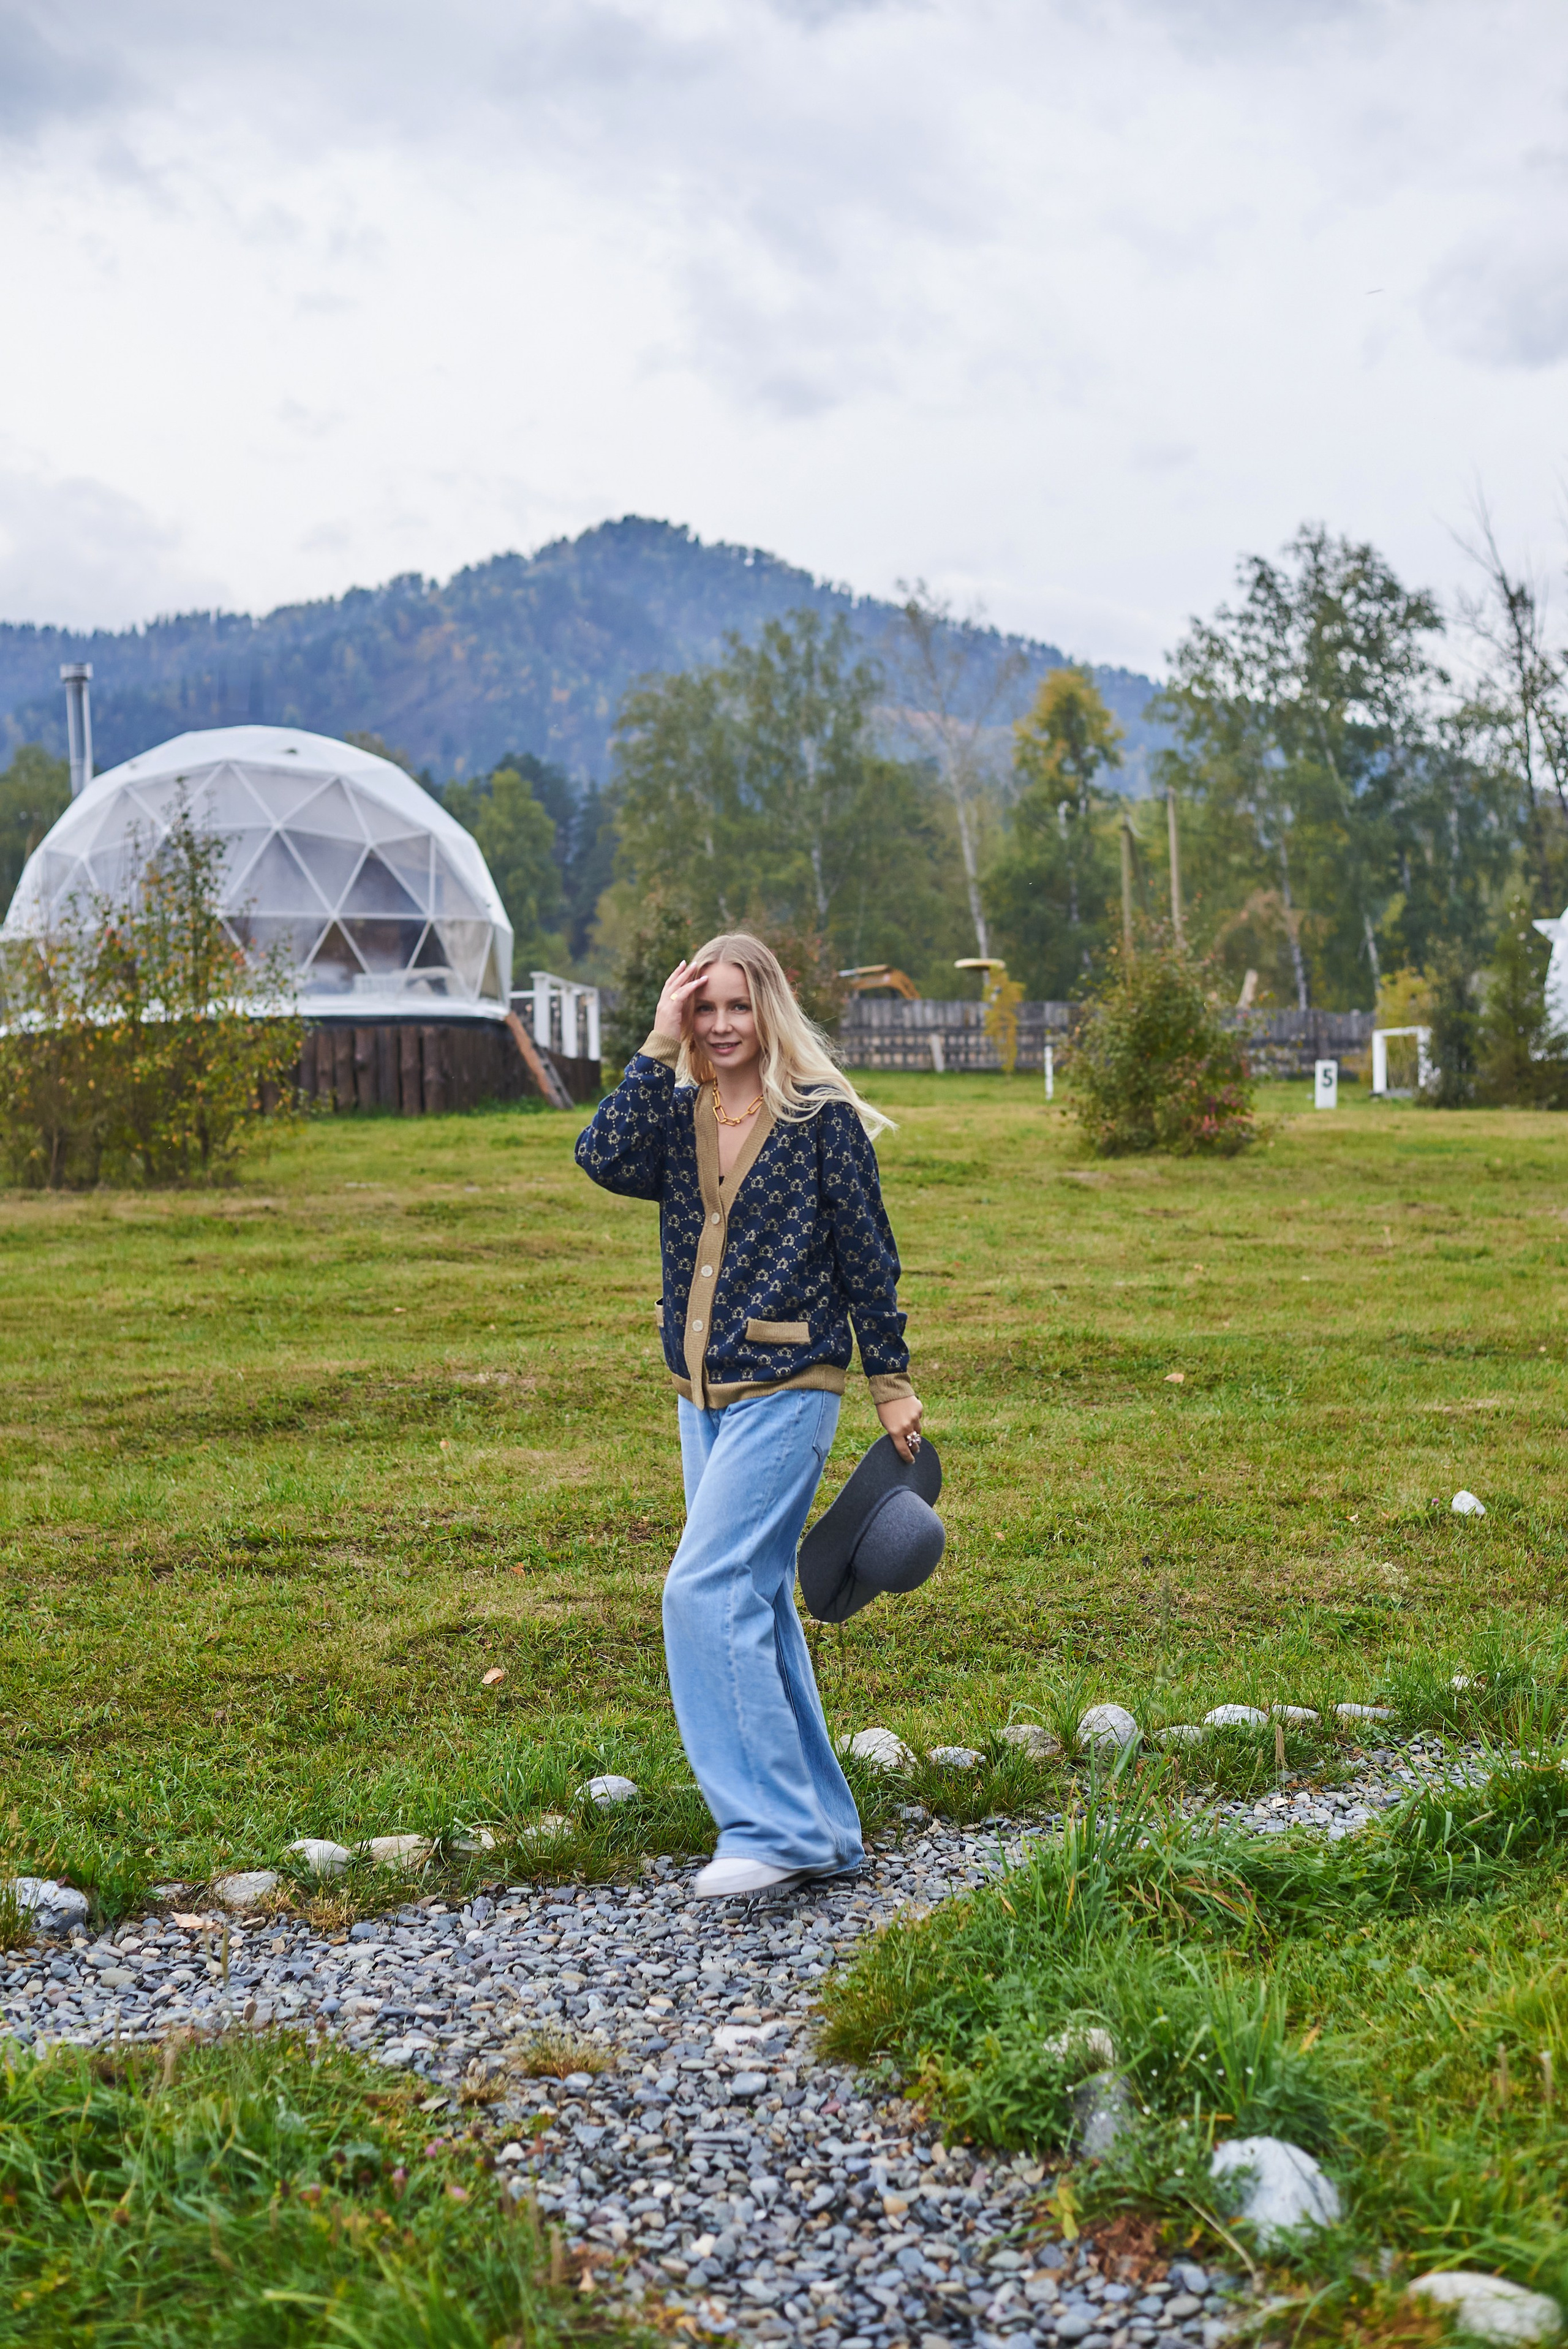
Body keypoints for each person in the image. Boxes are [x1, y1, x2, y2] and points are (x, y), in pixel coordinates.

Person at [575, 933, 924, 1898]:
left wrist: (891, 1384)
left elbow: (870, 1261)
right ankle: (824, 1832)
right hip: (702, 1398)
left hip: (792, 1387)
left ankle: (766, 1828)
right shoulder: (677, 1116)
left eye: (737, 1007)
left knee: (705, 1592)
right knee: (759, 1604)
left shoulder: (822, 1121)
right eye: (705, 1009)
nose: (722, 1027)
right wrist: (652, 1045)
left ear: (768, 1011)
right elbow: (599, 1157)